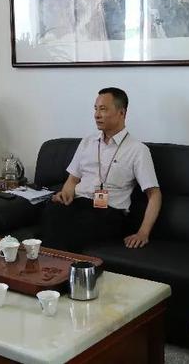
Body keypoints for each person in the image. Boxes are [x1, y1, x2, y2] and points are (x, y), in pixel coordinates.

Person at [40, 87, 162, 253]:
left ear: (121, 113)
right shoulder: (87, 142)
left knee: (71, 228)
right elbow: (72, 179)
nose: (97, 115)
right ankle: (46, 260)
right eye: (96, 109)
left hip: (109, 212)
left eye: (103, 109)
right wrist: (65, 194)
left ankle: (53, 262)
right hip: (79, 203)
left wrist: (143, 233)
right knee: (52, 210)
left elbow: (154, 194)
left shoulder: (137, 150)